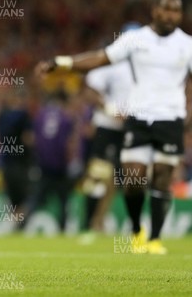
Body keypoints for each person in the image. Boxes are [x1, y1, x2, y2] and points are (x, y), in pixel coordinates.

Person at [36, 0, 192, 254]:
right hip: (139, 117)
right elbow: (99, 58)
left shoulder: (187, 44)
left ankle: (154, 239)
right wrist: (62, 63)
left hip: (171, 118)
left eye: (175, 11)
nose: (169, 16)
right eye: (165, 10)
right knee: (132, 179)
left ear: (180, 15)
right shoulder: (135, 39)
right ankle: (135, 231)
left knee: (162, 179)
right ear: (154, 10)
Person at [80, 23, 139, 243]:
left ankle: (100, 221)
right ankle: (89, 224)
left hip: (130, 129)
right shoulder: (110, 62)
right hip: (107, 126)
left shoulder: (144, 66)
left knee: (123, 179)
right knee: (98, 175)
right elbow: (91, 90)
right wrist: (110, 108)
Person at [22, 90, 75, 233]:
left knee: (34, 199)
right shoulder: (65, 117)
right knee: (63, 201)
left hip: (43, 165)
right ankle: (63, 229)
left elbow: (33, 139)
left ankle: (20, 226)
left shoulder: (40, 115)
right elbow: (69, 143)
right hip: (60, 166)